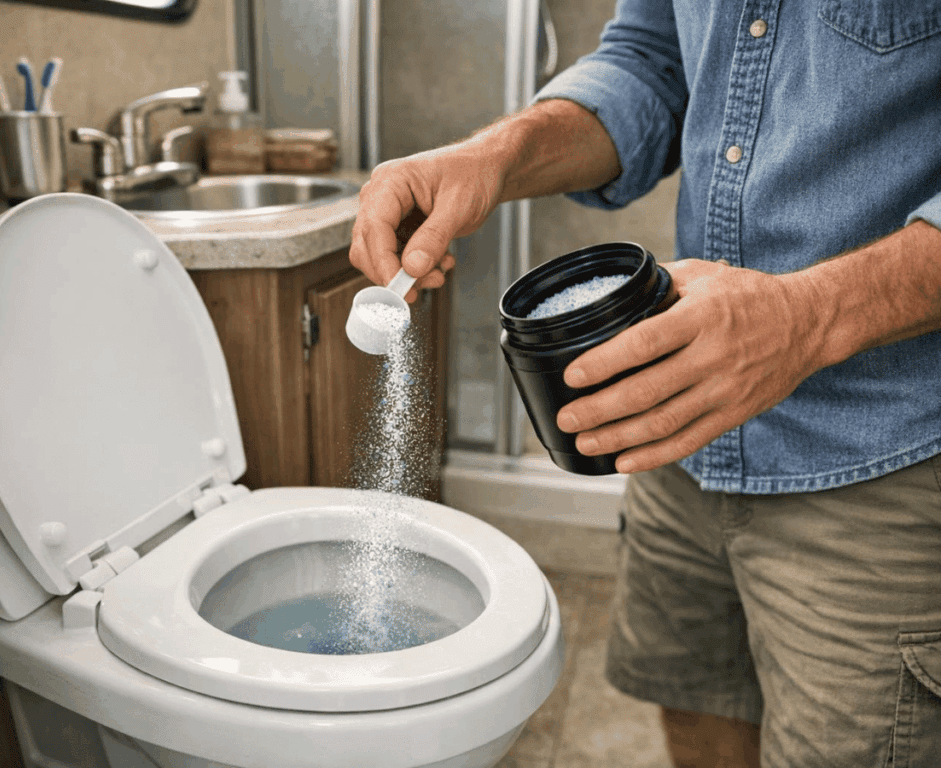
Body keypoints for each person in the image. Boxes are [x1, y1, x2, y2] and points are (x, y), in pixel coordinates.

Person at [349, 1, 941, 766]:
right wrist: (496, 156)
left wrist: (809, 315)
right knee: (698, 713)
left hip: (879, 456)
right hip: (684, 437)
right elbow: (648, 63)